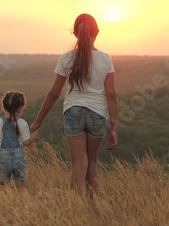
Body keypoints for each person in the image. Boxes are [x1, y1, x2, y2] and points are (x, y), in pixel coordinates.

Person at [30, 13, 119, 198]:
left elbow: (53, 94)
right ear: (97, 32)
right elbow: (111, 94)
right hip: (97, 114)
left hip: (73, 112)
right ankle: (93, 211)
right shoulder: (106, 58)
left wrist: (38, 121)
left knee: (79, 163)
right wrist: (114, 127)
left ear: (75, 33)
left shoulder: (66, 58)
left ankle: (75, 211)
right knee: (92, 163)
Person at [0, 91, 39, 189]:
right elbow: (27, 142)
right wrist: (36, 131)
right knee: (21, 187)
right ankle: (22, 202)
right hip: (19, 160)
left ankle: (5, 201)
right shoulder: (22, 123)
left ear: (4, 107)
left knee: (3, 188)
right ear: (20, 109)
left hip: (4, 160)